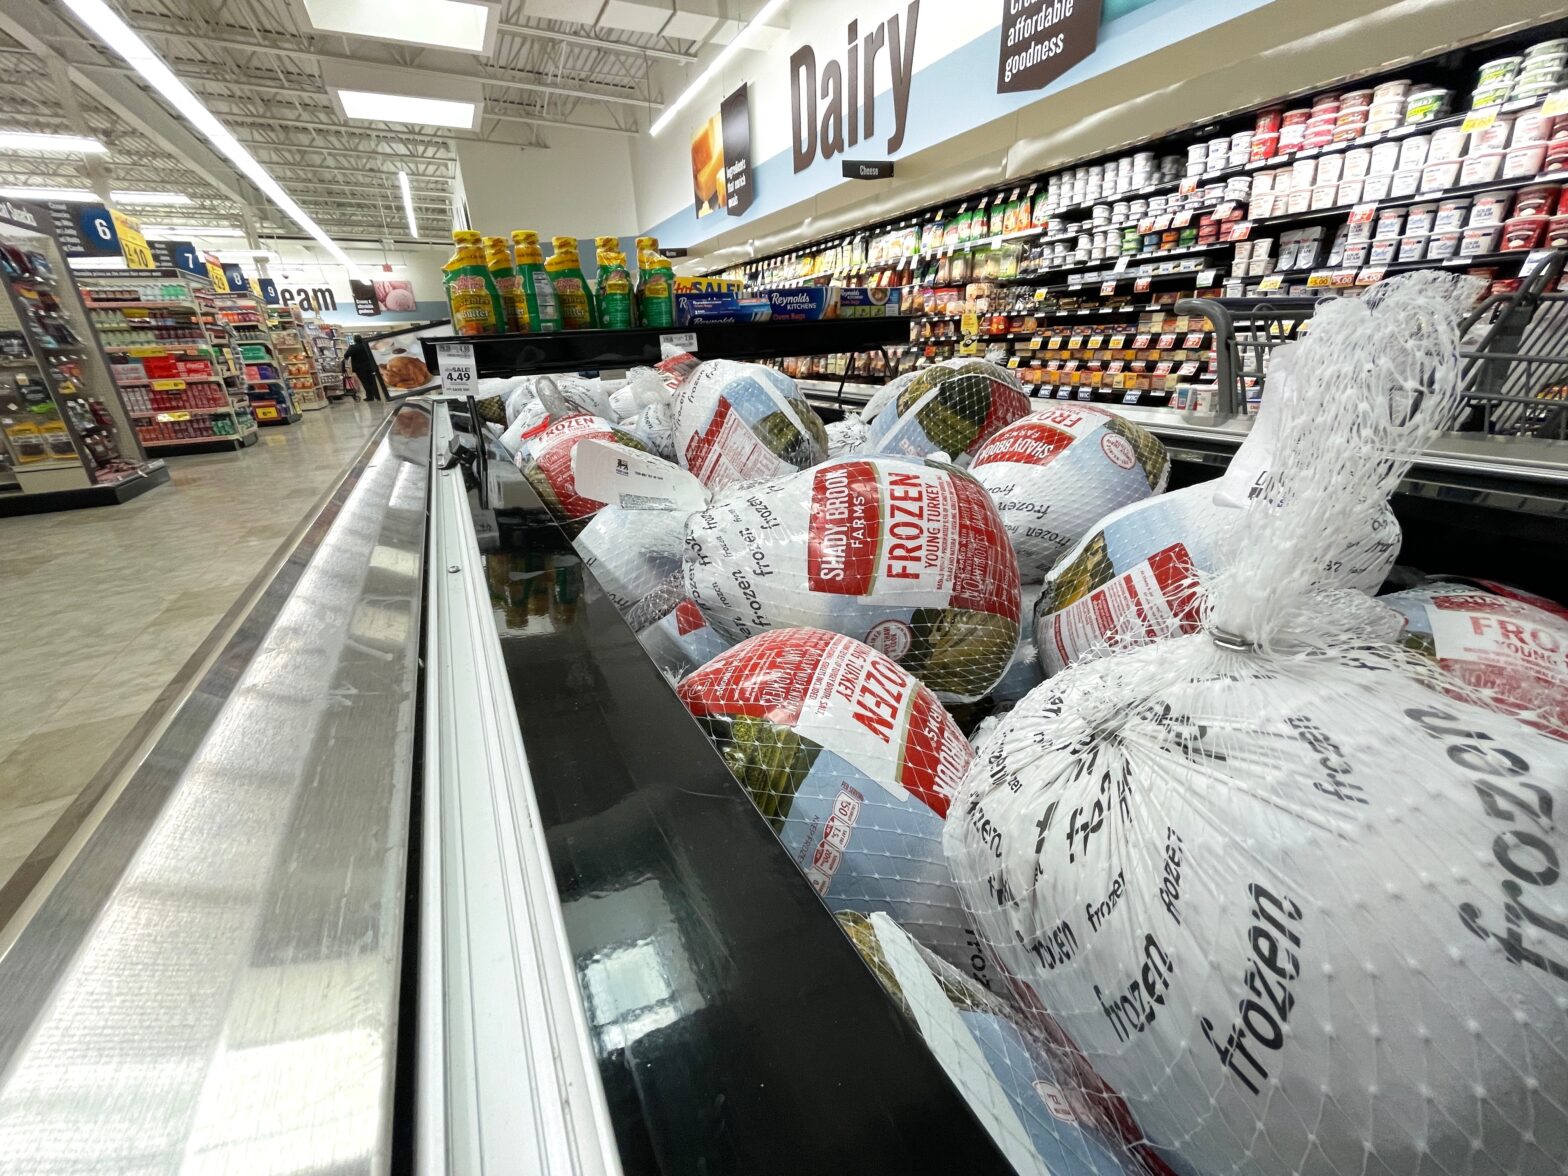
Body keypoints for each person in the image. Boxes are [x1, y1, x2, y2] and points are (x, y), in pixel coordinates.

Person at [342, 334, 388, 402]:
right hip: (370, 366)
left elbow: (346, 355)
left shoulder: (353, 347)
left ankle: (370, 397)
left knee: (365, 382)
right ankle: (377, 396)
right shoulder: (367, 346)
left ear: (354, 340)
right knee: (373, 382)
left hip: (359, 368)